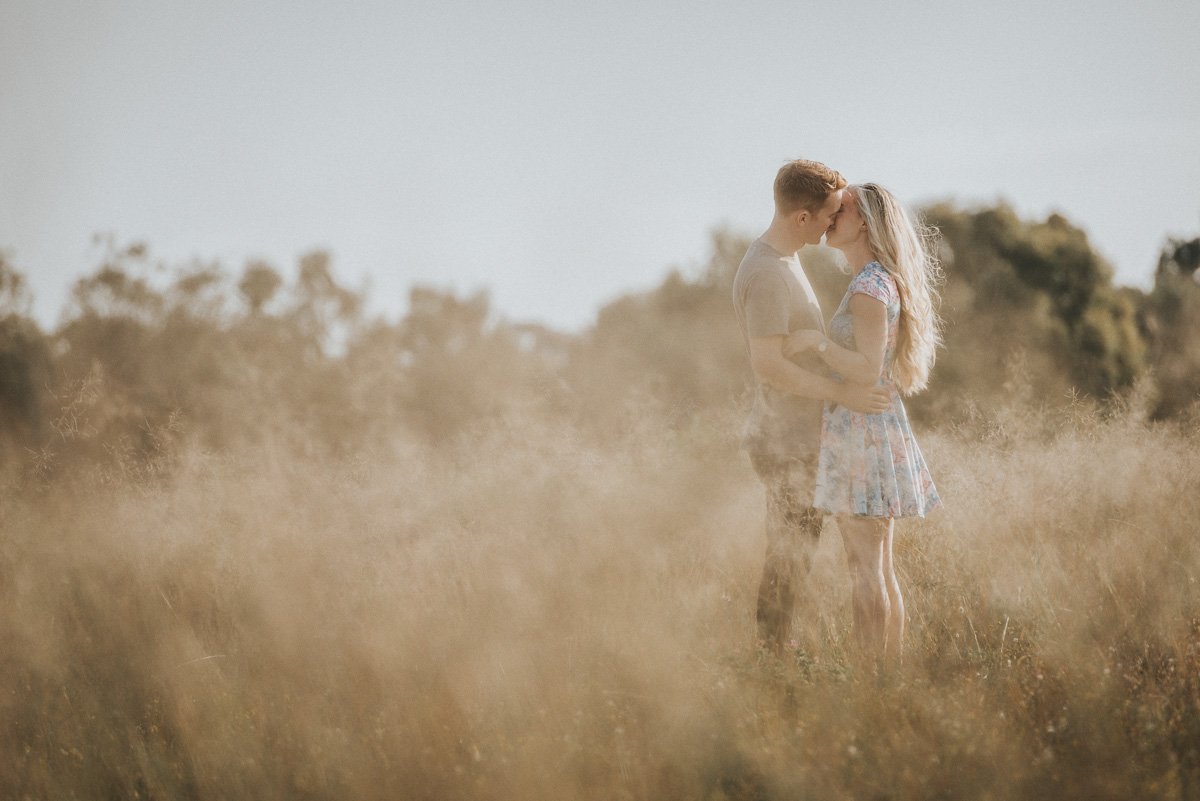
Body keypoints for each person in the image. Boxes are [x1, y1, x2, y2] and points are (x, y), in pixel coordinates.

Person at [732, 160, 892, 655]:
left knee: (793, 555)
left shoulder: (784, 259)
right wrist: (842, 393)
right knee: (787, 556)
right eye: (826, 215)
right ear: (801, 217)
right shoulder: (769, 275)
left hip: (798, 437)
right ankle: (772, 661)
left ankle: (775, 654)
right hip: (784, 440)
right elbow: (768, 367)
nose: (831, 223)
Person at [783, 183, 943, 657]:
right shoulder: (873, 281)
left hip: (862, 432)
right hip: (869, 426)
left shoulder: (871, 285)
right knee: (879, 568)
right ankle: (884, 683)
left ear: (867, 224)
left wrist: (815, 343)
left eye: (844, 208)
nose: (832, 213)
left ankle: (872, 683)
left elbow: (867, 367)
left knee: (866, 570)